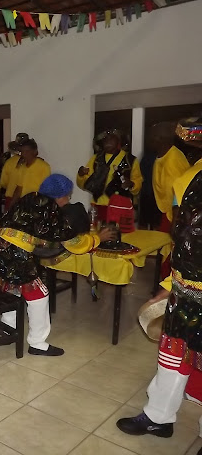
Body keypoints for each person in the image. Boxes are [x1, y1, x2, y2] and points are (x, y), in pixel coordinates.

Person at [116, 118, 202, 444]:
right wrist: (168, 287)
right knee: (173, 355)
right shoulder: (194, 175)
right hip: (186, 289)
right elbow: (187, 241)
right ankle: (158, 417)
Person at [0, 174, 115, 356]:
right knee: (39, 294)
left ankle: (8, 329)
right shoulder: (52, 210)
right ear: (61, 196)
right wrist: (97, 238)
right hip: (13, 254)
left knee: (12, 287)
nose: (68, 200)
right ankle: (37, 343)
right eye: (68, 196)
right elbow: (73, 243)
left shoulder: (29, 198)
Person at [77, 129, 143, 221]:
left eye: (111, 138)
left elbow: (138, 183)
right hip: (98, 206)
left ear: (118, 141)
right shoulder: (96, 159)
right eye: (105, 139)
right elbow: (84, 184)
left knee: (118, 230)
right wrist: (80, 175)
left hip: (120, 207)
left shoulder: (131, 160)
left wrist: (132, 184)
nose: (107, 141)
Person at [149, 122, 190, 232]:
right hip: (164, 212)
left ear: (162, 139)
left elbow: (179, 192)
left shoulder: (174, 159)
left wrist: (175, 220)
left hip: (174, 216)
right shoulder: (161, 155)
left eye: (153, 136)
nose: (150, 140)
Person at [10, 139, 51, 206]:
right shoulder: (22, 167)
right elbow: (19, 188)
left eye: (27, 151)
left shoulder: (44, 166)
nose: (24, 154)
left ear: (34, 152)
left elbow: (46, 188)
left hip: (38, 203)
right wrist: (11, 204)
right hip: (24, 203)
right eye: (22, 151)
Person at [0, 133, 28, 210]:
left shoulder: (9, 162)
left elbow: (3, 182)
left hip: (11, 196)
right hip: (28, 198)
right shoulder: (34, 161)